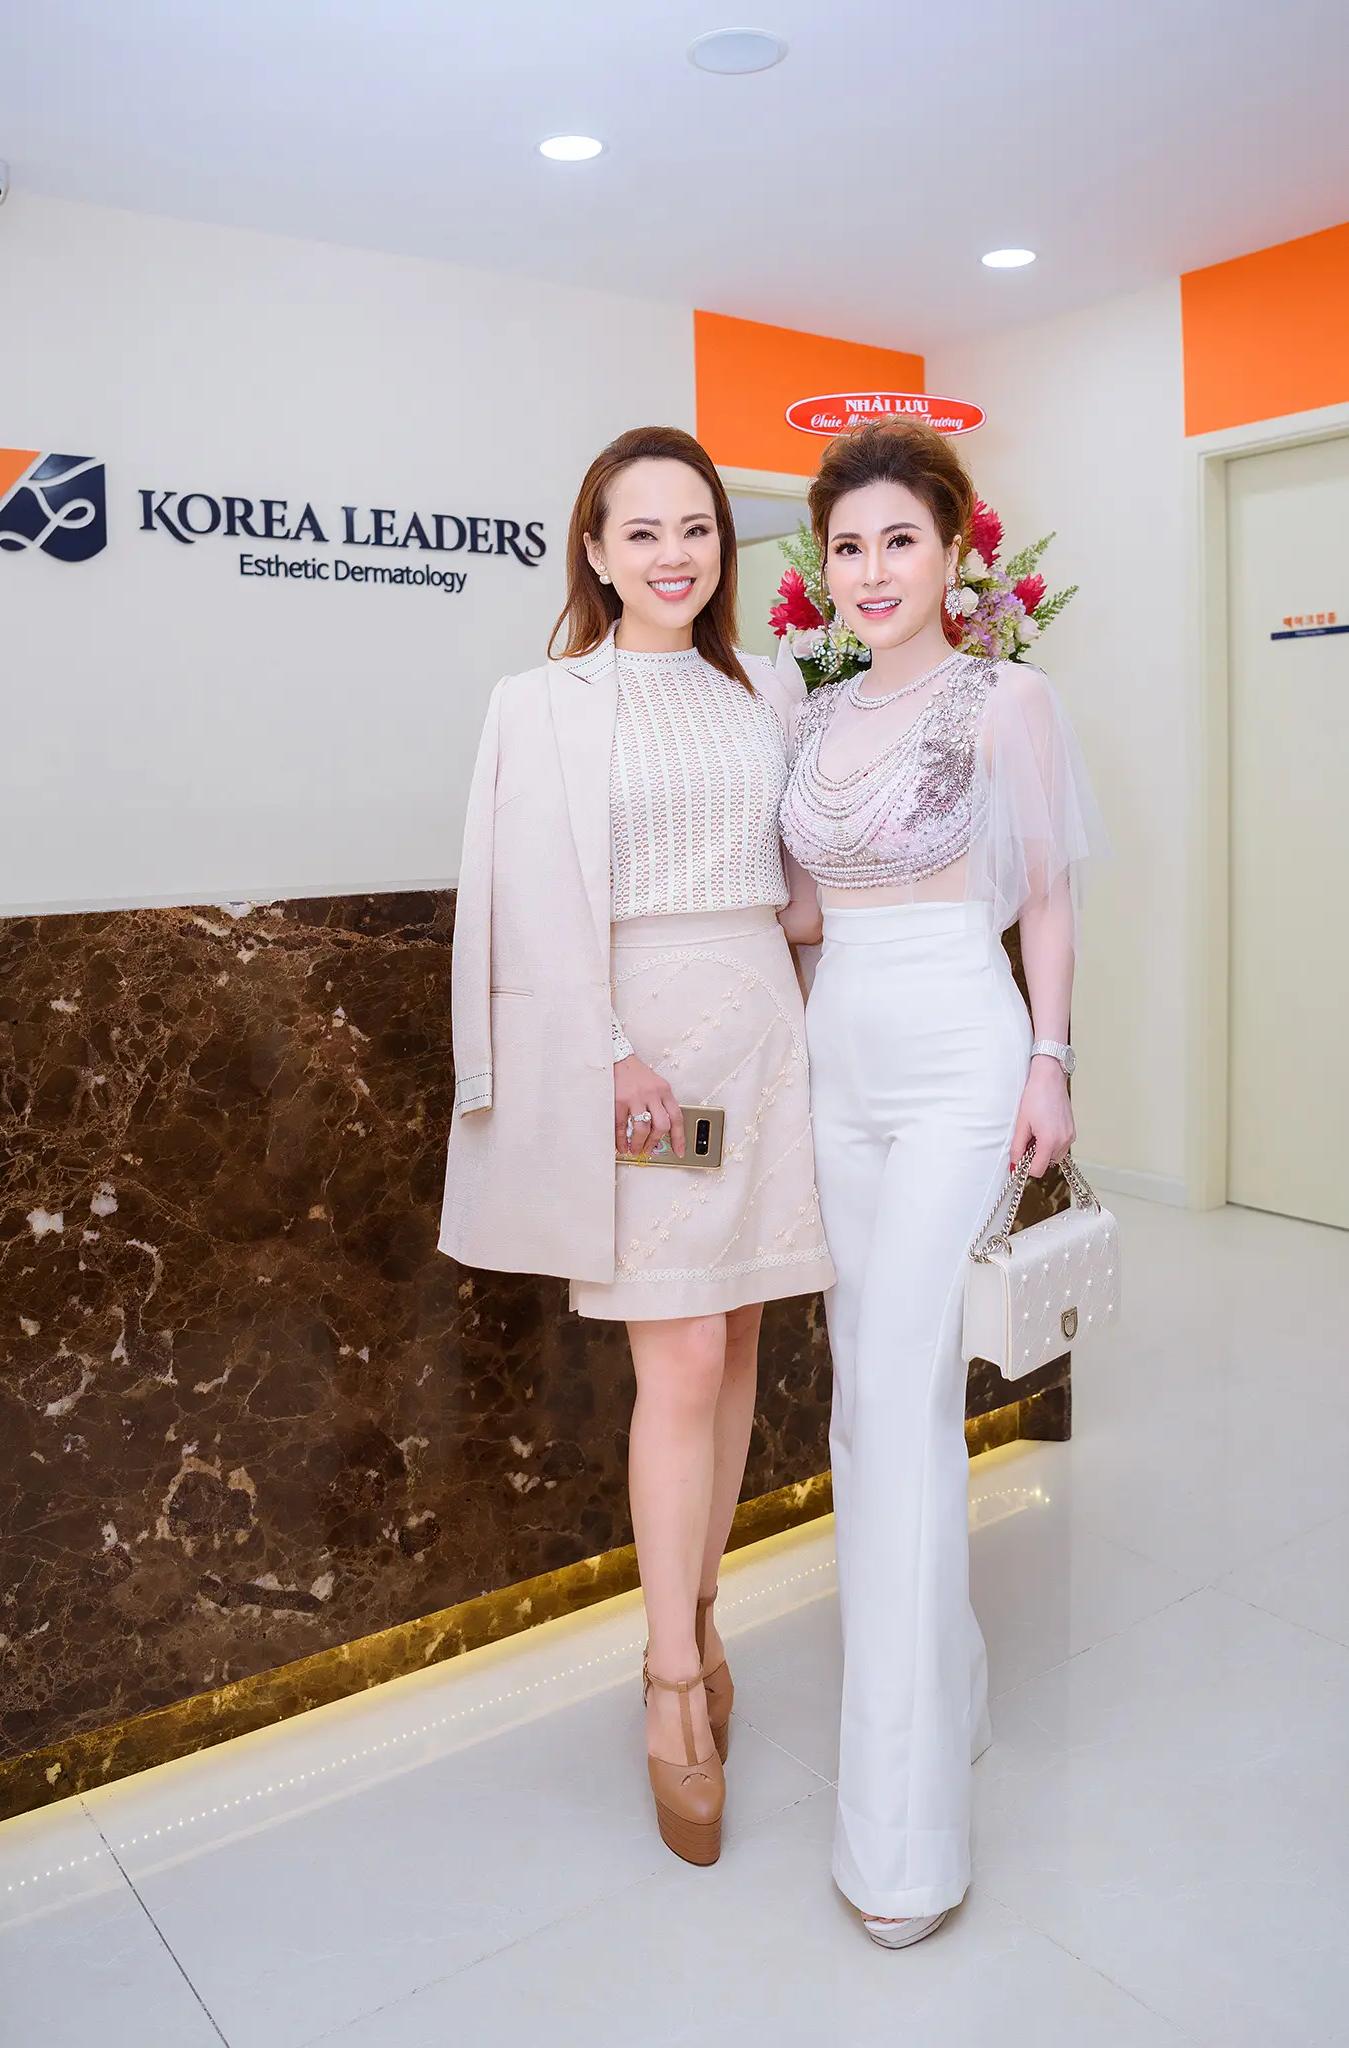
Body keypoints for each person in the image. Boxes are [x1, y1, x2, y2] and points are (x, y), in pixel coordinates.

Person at [440, 424, 834, 1868]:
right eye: (642, 531)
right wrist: (607, 1053)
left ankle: (703, 1612)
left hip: (763, 1037)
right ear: (596, 554)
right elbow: (523, 898)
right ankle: (670, 1676)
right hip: (644, 1059)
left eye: (697, 527)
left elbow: (801, 888)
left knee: (733, 1340)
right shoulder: (542, 702)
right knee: (677, 1352)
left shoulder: (772, 687)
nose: (674, 554)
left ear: (725, 546)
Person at [778, 417, 1104, 1946]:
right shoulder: (811, 716)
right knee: (868, 1396)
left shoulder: (1004, 699)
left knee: (895, 1401)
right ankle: (951, 1689)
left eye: (897, 540)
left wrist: (1049, 1058)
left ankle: (899, 1849)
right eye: (846, 546)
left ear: (954, 551)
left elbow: (1045, 898)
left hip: (958, 1053)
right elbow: (798, 912)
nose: (870, 570)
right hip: (833, 1056)